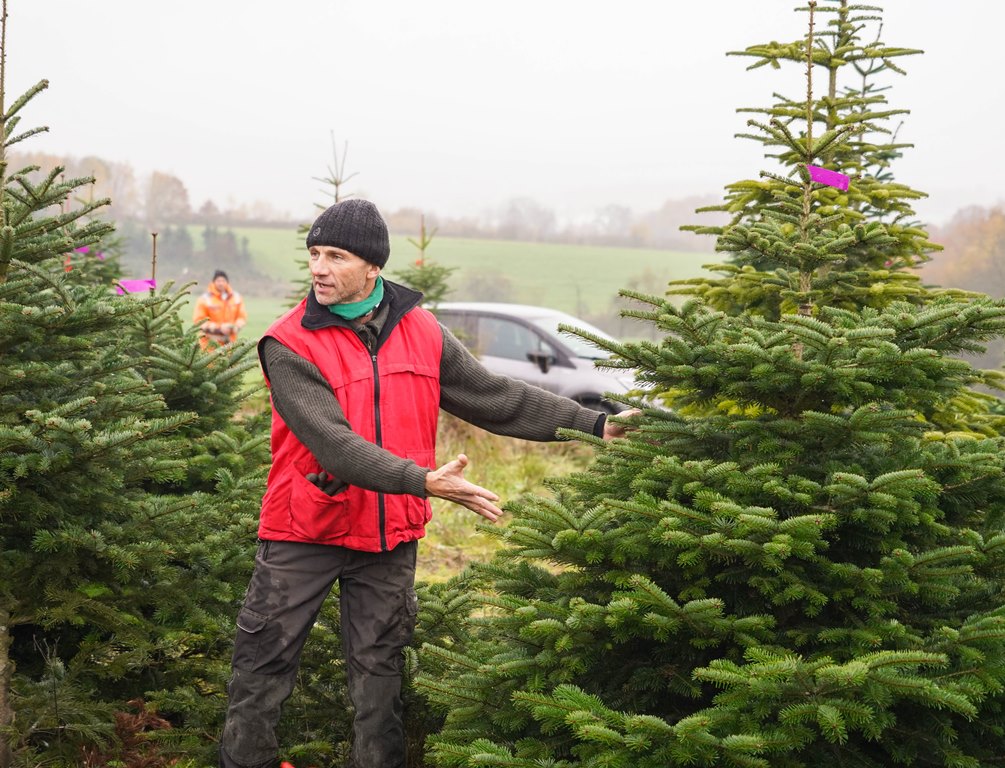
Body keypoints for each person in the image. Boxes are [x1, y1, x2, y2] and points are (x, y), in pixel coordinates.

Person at [219, 199, 637, 768]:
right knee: (261, 667)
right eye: (314, 253)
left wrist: (596, 425)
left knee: (380, 680)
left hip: (388, 538)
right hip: (305, 530)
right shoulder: (288, 342)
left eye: (335, 256)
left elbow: (498, 399)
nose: (318, 267)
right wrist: (422, 481)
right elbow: (335, 446)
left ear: (372, 266)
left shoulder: (421, 331)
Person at [193, 269, 248, 348]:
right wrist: (219, 328)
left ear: (227, 282)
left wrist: (235, 327)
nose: (221, 283)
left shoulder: (236, 298)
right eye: (218, 281)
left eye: (223, 280)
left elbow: (242, 317)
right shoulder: (205, 299)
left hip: (230, 344)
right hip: (209, 346)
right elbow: (199, 321)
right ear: (213, 282)